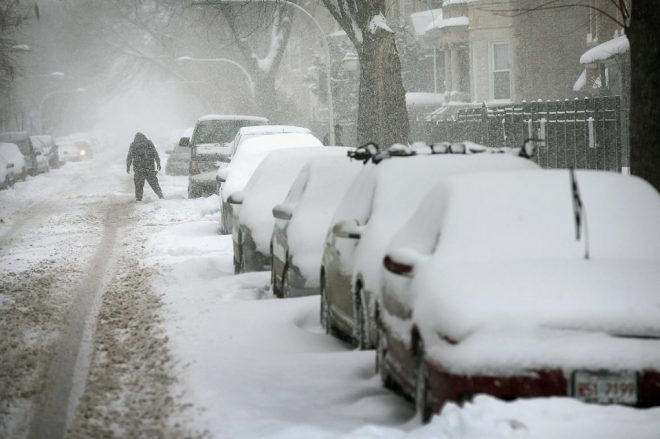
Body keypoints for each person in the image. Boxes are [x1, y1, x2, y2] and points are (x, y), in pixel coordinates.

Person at [126, 132, 164, 201]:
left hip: (138, 169)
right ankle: (160, 195)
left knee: (139, 185)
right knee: (154, 183)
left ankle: (139, 199)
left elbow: (129, 156)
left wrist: (128, 166)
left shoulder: (133, 145)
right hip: (149, 167)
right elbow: (155, 153)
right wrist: (158, 163)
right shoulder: (149, 143)